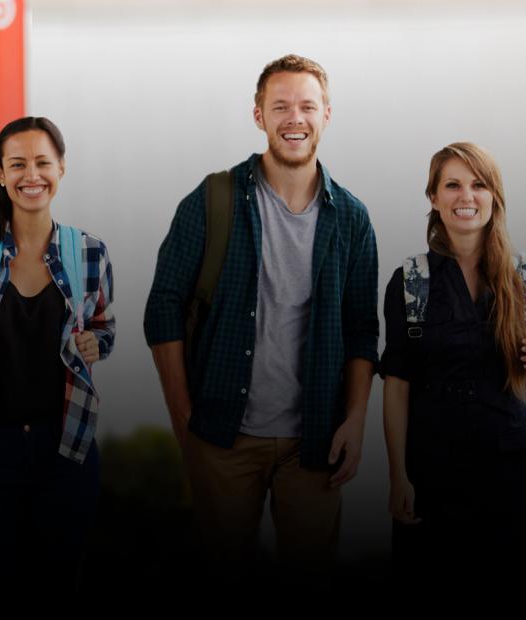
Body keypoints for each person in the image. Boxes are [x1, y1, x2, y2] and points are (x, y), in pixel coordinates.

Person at [144, 54, 378, 587]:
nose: (294, 118)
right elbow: (163, 308)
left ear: (326, 115)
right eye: (280, 107)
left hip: (314, 439)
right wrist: (184, 421)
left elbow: (363, 328)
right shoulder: (213, 200)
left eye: (306, 106)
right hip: (223, 434)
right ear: (259, 116)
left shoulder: (352, 217)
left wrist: (356, 421)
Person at [0, 116, 114, 588]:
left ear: (61, 169)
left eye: (43, 163)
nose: (33, 175)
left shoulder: (90, 252)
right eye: (18, 164)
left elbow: (103, 328)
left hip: (67, 445)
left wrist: (97, 342)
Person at [381, 142, 526, 590]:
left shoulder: (525, 273)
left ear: (494, 196)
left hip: (510, 468)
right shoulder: (411, 281)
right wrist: (398, 475)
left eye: (479, 185)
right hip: (432, 470)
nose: (467, 196)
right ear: (434, 198)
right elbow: (397, 386)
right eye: (453, 185)